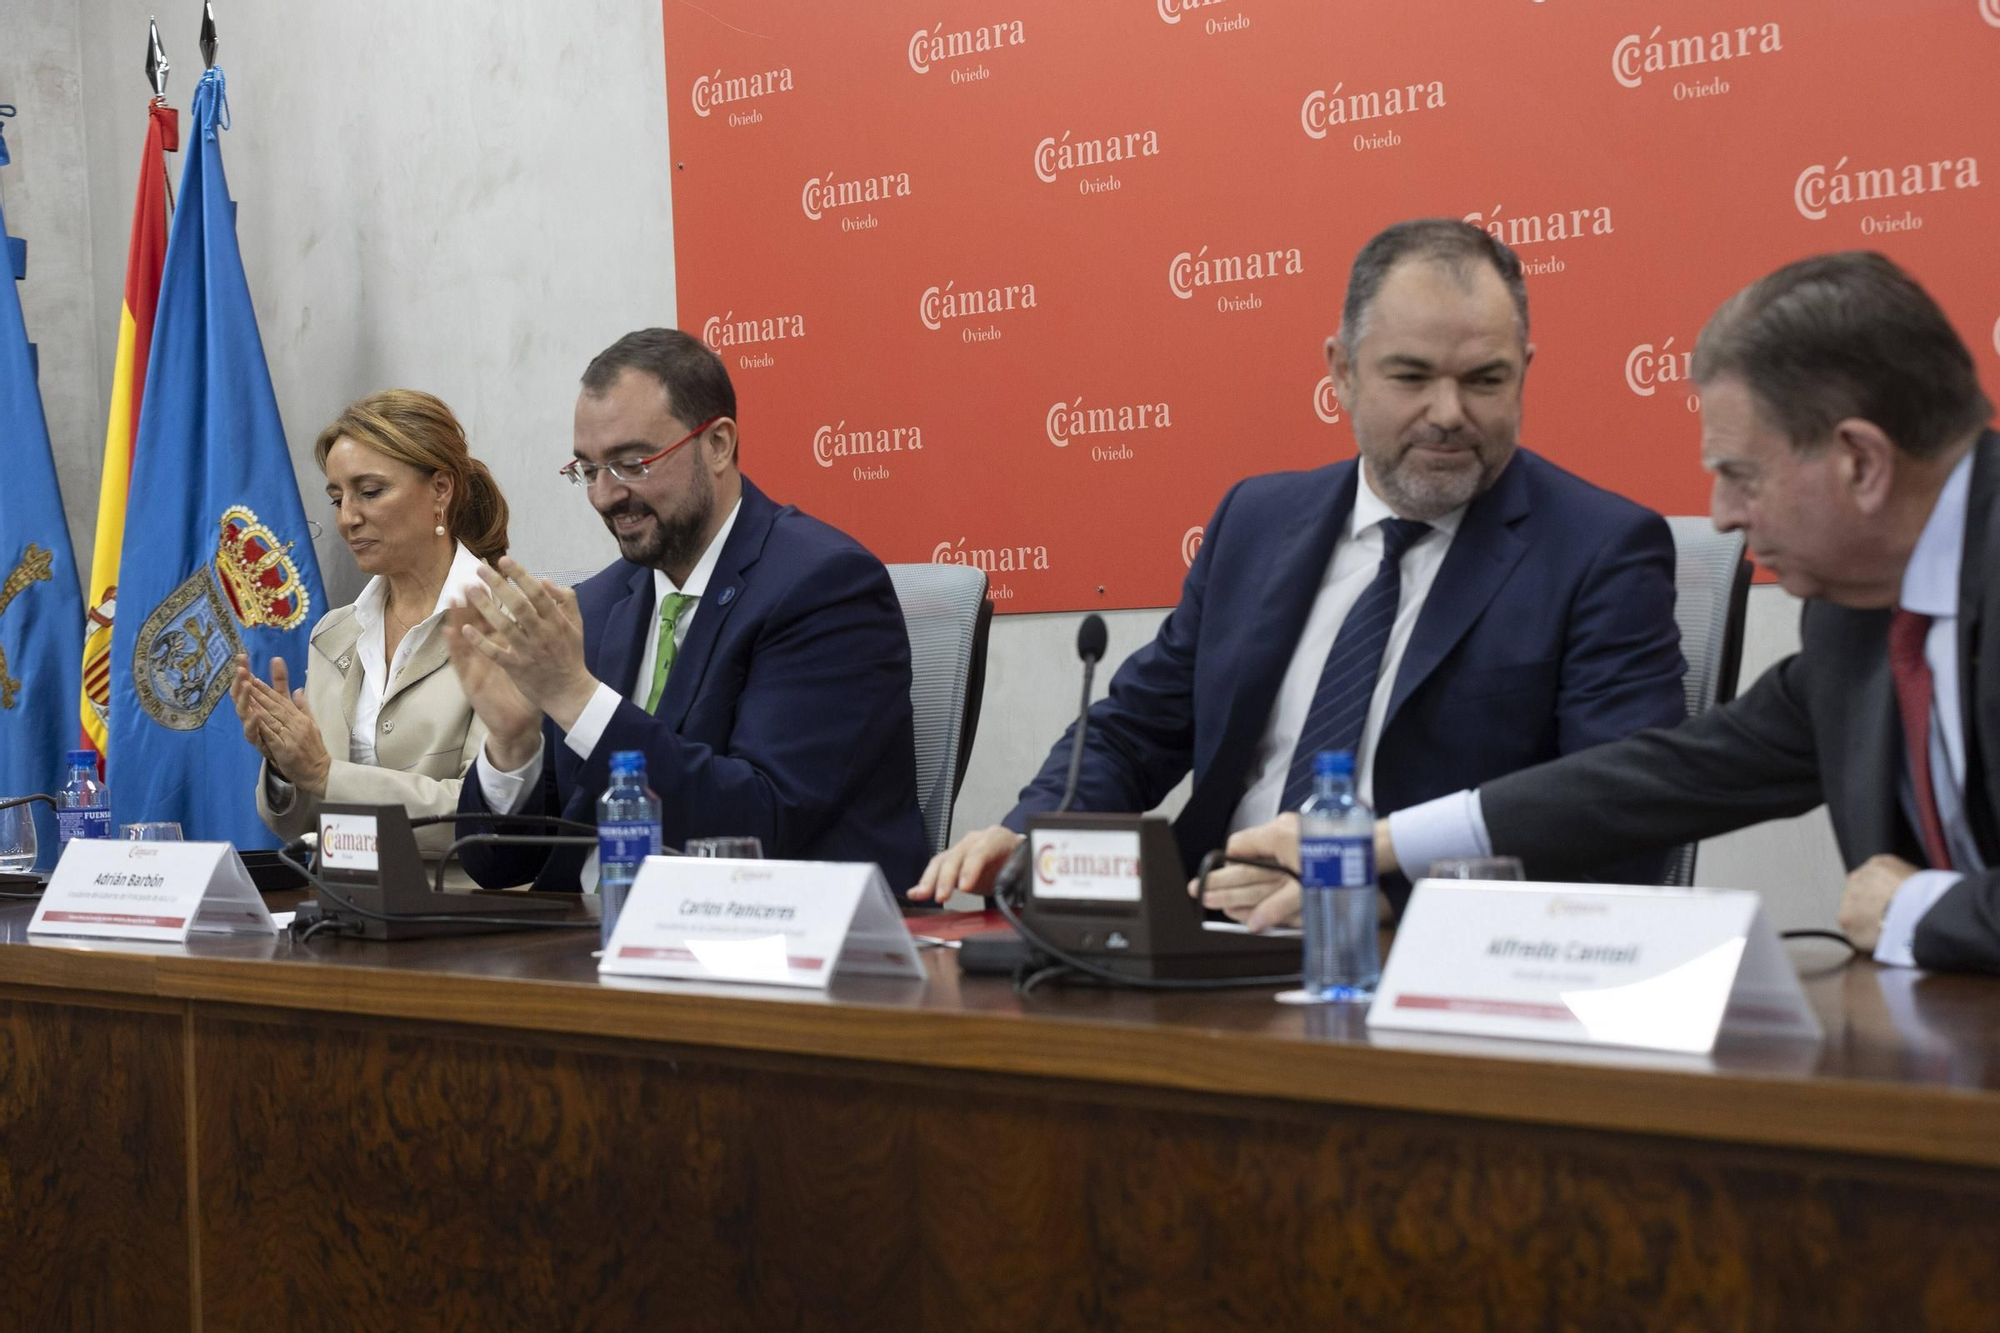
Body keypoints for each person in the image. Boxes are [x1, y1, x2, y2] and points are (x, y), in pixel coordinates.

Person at [1218, 252, 2000, 976]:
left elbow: (1926, 910)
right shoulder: (1855, 615)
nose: (1722, 517)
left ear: (1860, 462)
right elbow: (1669, 776)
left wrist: (1921, 911)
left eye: (1739, 475)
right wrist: (1375, 844)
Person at [913, 218, 1688, 906]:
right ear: (1342, 371)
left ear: (1525, 370)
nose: (1450, 414)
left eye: (1486, 380)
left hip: (1411, 954)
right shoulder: (1258, 521)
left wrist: (1371, 892)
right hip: (1205, 920)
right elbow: (1135, 732)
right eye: (1411, 376)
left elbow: (1617, 821)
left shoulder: (1600, 550)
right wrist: (1037, 837)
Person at [446, 328, 928, 891]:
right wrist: (512, 747)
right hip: (586, 949)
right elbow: (496, 866)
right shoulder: (602, 604)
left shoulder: (824, 587)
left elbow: (760, 825)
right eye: (588, 469)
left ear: (718, 444)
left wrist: (575, 696)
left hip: (780, 948)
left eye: (632, 463)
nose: (603, 495)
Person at [233, 390, 508, 880]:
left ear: (440, 490)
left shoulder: (510, 624)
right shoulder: (334, 632)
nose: (348, 518)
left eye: (370, 492)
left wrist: (323, 773)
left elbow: (485, 818)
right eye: (337, 498)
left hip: (467, 922)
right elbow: (302, 827)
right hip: (340, 911)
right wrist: (283, 765)